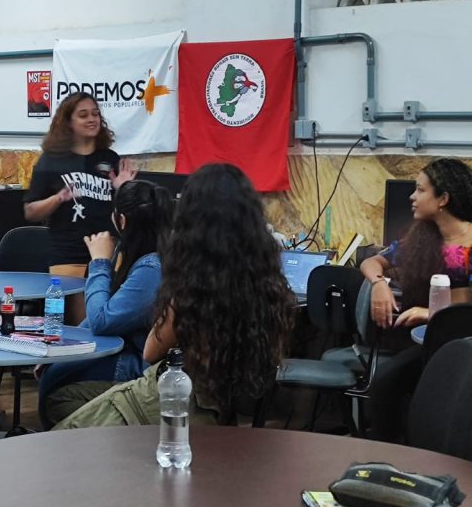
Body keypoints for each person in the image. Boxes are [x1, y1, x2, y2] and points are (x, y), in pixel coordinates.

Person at [55, 163, 297, 429]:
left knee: (65, 429)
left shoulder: (195, 285)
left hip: (176, 397)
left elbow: (150, 351)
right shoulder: (269, 286)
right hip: (222, 406)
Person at [359, 157, 472, 441]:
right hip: (426, 341)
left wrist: (433, 311)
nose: (412, 196)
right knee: (384, 387)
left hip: (465, 345)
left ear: (443, 198)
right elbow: (373, 262)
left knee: (389, 385)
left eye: (420, 190)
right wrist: (378, 283)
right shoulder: (422, 238)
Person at [38, 179, 174, 428]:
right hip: (126, 352)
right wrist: (63, 348)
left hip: (140, 368)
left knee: (54, 393)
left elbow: (102, 319)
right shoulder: (142, 256)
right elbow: (104, 315)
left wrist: (99, 262)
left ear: (121, 221)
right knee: (54, 374)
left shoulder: (152, 268)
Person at [24, 92, 136, 323]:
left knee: (107, 320)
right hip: (68, 253)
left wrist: (123, 188)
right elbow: (30, 211)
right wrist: (57, 198)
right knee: (79, 327)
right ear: (68, 122)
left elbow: (130, 212)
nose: (92, 119)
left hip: (107, 251)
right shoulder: (51, 161)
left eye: (95, 114)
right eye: (83, 115)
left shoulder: (110, 159)